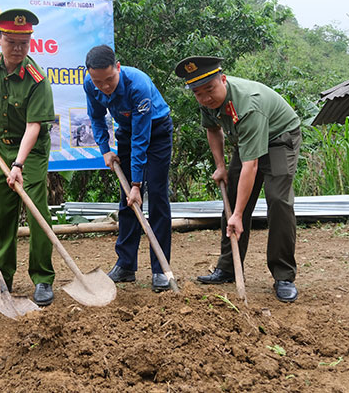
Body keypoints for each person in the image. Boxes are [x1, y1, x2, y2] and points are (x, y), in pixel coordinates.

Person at [174, 56, 301, 302]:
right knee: (231, 198)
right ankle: (228, 267)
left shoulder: (249, 105)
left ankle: (283, 275)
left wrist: (239, 215)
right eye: (198, 93)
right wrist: (220, 166)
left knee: (278, 201)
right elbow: (213, 129)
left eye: (210, 90)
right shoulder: (205, 99)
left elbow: (251, 166)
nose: (205, 97)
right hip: (247, 142)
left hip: (279, 138)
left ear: (223, 80)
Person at [0, 8, 57, 306]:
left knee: (35, 211)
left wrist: (18, 164)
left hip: (30, 151)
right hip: (1, 145)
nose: (18, 49)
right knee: (3, 212)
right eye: (12, 42)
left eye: (24, 43)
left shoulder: (36, 79)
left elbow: (34, 126)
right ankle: (0, 276)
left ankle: (43, 278)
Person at [84, 45, 174, 292]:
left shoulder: (138, 86)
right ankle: (125, 265)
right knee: (126, 202)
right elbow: (97, 117)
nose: (104, 86)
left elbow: (141, 140)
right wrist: (105, 149)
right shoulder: (91, 83)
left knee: (156, 195)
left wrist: (136, 185)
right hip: (126, 131)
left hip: (155, 132)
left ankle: (160, 269)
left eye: (109, 79)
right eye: (98, 81)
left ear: (118, 68)